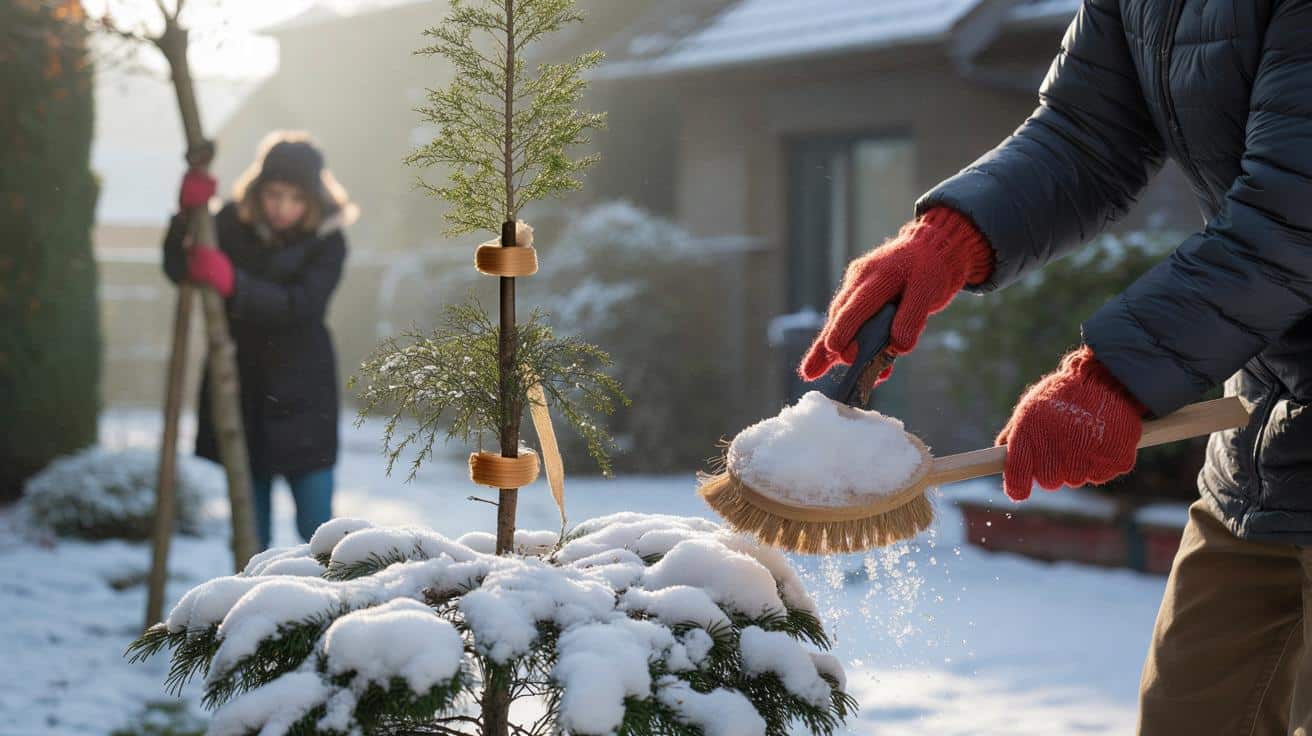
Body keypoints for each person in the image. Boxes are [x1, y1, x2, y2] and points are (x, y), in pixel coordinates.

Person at [800, 1, 1312, 733]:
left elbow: (1293, 214)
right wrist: (947, 241)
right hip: (1268, 444)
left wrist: (1111, 380)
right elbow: (1088, 133)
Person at [163, 131, 358, 551]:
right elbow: (180, 264)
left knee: (318, 530)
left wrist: (234, 283)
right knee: (252, 537)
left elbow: (300, 304)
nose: (282, 207)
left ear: (313, 198)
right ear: (259, 188)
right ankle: (257, 611)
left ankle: (330, 610)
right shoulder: (231, 224)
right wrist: (186, 214)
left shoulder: (328, 241)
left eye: (295, 198)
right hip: (241, 390)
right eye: (274, 194)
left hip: (305, 398)